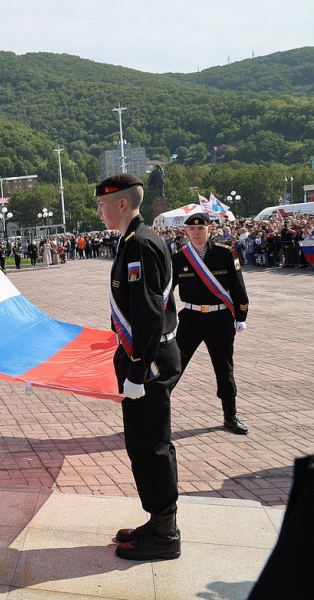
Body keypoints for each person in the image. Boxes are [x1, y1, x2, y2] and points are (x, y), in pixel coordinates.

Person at [96, 173, 182, 562]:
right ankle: (157, 518)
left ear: (123, 204)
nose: (99, 211)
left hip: (146, 361)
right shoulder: (133, 241)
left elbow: (147, 314)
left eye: (102, 205)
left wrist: (135, 371)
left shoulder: (141, 245)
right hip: (143, 358)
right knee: (145, 444)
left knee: (151, 446)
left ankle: (165, 533)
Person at [170, 212, 250, 435]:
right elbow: (167, 291)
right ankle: (156, 415)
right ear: (186, 231)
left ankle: (230, 415)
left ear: (209, 230)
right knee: (174, 365)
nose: (196, 233)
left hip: (219, 318)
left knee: (224, 367)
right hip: (191, 318)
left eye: (201, 229)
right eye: (192, 229)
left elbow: (237, 287)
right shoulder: (179, 258)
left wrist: (241, 316)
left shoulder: (224, 255)